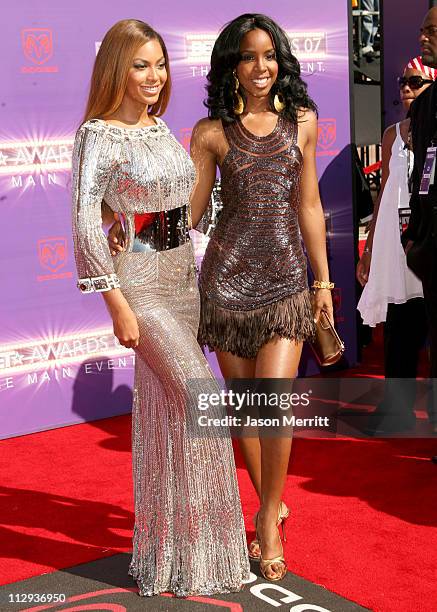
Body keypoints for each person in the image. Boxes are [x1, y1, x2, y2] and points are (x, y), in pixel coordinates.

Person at [71, 19, 249, 597]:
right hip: (141, 290)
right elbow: (83, 221)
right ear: (116, 69)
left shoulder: (158, 127)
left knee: (169, 414)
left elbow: (167, 209)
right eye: (141, 65)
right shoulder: (96, 135)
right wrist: (116, 304)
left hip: (182, 281)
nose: (154, 76)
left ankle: (180, 554)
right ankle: (204, 546)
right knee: (202, 403)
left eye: (160, 64)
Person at [190, 14, 333, 581]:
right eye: (248, 57)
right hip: (225, 285)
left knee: (273, 402)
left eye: (269, 55)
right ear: (231, 66)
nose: (261, 67)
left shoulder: (302, 123)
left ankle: (269, 516)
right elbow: (194, 215)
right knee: (244, 408)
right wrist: (136, 224)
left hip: (284, 283)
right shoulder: (210, 133)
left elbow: (309, 205)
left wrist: (321, 283)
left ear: (282, 61)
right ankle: (267, 500)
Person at [357, 56, 435, 434]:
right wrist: (370, 248)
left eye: (415, 81)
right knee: (399, 326)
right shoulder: (392, 134)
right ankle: (397, 410)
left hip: (429, 239)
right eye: (403, 81)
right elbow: (383, 192)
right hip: (395, 239)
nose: (406, 87)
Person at [403, 7, 437, 433]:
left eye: (432, 31)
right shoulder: (426, 104)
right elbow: (421, 174)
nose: (423, 38)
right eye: (423, 30)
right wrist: (416, 236)